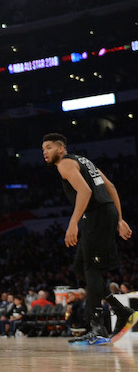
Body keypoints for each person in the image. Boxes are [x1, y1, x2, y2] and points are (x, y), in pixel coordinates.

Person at [41, 133, 136, 345]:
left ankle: (98, 329)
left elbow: (85, 191)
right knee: (79, 268)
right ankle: (122, 310)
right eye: (43, 149)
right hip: (103, 214)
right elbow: (110, 186)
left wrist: (73, 223)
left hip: (96, 216)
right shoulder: (83, 161)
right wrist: (119, 218)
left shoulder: (64, 164)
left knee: (91, 269)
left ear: (61, 148)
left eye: (48, 147)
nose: (44, 152)